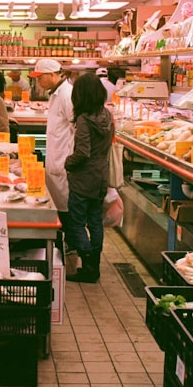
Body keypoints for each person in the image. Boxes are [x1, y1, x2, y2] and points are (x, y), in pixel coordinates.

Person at [64, 73, 114, 283]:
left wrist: (68, 162)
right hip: (101, 174)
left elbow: (83, 152)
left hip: (84, 177)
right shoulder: (107, 115)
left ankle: (88, 262)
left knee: (76, 222)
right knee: (95, 221)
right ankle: (95, 266)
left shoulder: (84, 119)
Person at [29, 58, 78, 274]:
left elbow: (76, 128)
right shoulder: (56, 94)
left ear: (51, 75)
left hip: (63, 163)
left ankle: (70, 260)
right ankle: (58, 254)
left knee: (67, 215)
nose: (38, 82)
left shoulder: (67, 95)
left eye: (40, 77)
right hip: (56, 161)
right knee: (58, 211)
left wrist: (69, 159)